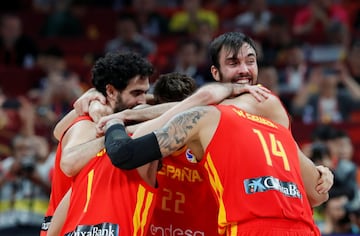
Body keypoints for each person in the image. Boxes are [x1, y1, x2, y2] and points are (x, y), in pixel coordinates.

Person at [102, 32, 332, 235]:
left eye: (250, 61)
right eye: (233, 63)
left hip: (261, 226)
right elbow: (317, 193)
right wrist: (318, 172)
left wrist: (123, 119)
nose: (244, 69)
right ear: (215, 71)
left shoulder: (261, 99)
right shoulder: (267, 121)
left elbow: (318, 192)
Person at [40, 51, 154, 236]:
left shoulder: (114, 114)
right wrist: (114, 134)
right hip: (67, 229)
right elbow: (69, 164)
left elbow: (57, 131)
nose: (142, 100)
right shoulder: (86, 123)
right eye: (136, 93)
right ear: (110, 91)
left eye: (145, 92)